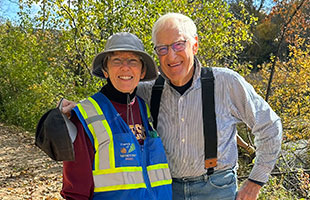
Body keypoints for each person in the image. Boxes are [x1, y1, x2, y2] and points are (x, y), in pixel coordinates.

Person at [61, 13, 282, 200]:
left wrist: (255, 180)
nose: (172, 55)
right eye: (163, 49)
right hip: (167, 190)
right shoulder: (147, 90)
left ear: (194, 45)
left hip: (216, 189)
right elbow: (116, 93)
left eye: (179, 44)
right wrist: (77, 111)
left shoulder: (226, 83)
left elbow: (270, 127)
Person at [60, 32, 172, 200]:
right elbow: (75, 191)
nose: (125, 67)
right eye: (117, 60)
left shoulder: (146, 108)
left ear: (142, 72)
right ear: (105, 70)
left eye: (133, 61)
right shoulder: (85, 115)